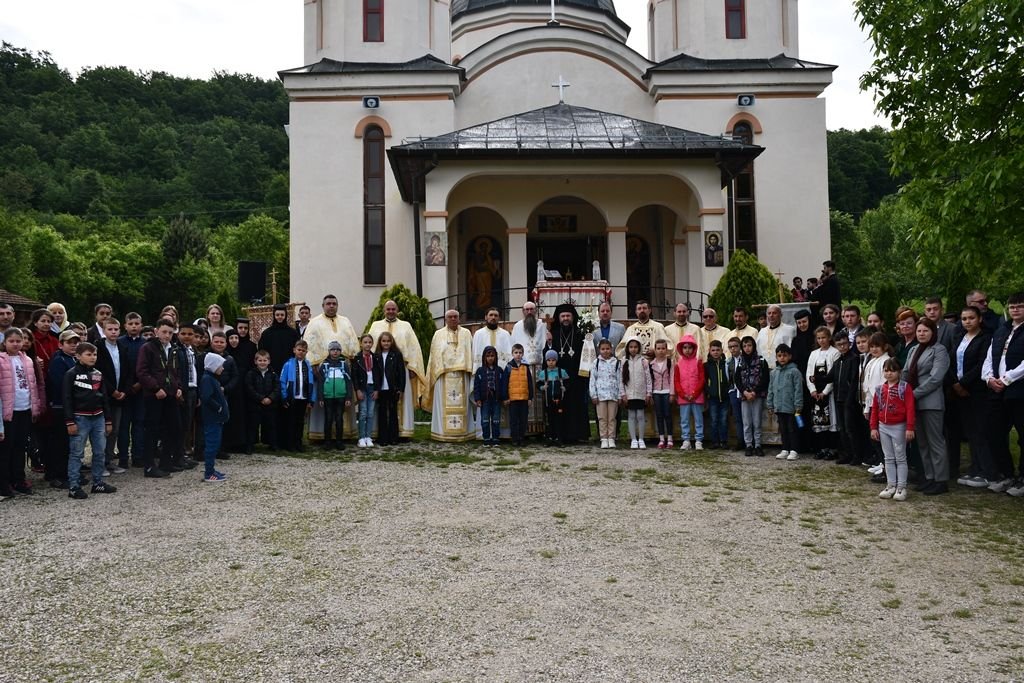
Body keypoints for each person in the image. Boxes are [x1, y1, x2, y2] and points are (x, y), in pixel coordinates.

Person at [981, 291, 1024, 495]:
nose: (1015, 310)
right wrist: (989, 378)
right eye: (1012, 306)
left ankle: (1022, 478)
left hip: (1018, 390)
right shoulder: (1002, 330)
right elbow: (990, 356)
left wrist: (1007, 379)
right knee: (993, 432)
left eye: (1020, 306)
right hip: (997, 390)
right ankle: (1006, 473)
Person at [62, 341, 116, 499]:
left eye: (95, 354)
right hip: (80, 418)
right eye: (88, 354)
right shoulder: (71, 374)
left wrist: (108, 420)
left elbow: (104, 397)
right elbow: (66, 398)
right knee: (77, 453)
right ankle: (74, 486)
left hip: (98, 418)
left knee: (99, 452)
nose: (93, 357)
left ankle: (97, 483)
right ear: (78, 356)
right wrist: (69, 421)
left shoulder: (98, 374)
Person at [304, 295, 359, 443]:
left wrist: (352, 362)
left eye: (334, 303)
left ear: (337, 305)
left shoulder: (346, 321)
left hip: (343, 367)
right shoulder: (314, 323)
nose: (331, 306)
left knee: (342, 402)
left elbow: (353, 343)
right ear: (323, 306)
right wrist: (314, 366)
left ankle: (344, 436)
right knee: (325, 406)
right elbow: (309, 345)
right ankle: (321, 436)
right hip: (323, 369)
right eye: (328, 303)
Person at [367, 299, 426, 438]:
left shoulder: (406, 325)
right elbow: (369, 345)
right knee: (381, 405)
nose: (391, 311)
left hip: (401, 369)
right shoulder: (375, 326)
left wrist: (413, 367)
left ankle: (402, 432)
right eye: (388, 309)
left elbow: (413, 347)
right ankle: (380, 433)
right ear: (384, 310)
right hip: (380, 370)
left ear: (397, 310)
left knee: (400, 401)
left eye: (393, 309)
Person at [952, 306, 997, 488]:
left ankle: (987, 471)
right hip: (959, 391)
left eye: (971, 318)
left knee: (981, 431)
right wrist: (955, 383)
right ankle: (975, 467)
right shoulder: (959, 338)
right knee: (970, 431)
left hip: (976, 390)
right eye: (964, 318)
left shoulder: (985, 339)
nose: (967, 321)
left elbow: (981, 364)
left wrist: (963, 384)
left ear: (979, 319)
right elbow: (952, 361)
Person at [903, 318, 950, 495]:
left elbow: (936, 378)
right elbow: (906, 373)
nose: (922, 334)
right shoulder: (914, 349)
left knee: (935, 442)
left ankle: (941, 479)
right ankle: (929, 477)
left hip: (931, 402)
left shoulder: (939, 350)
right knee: (922, 442)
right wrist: (901, 391)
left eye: (926, 331)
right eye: (919, 331)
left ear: (933, 333)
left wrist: (913, 394)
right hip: (913, 402)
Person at [0, 328, 45, 496]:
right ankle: (4, 483)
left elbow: (33, 385)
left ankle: (19, 479)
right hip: (8, 411)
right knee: (6, 449)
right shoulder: (1, 360)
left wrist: (36, 406)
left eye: (18, 341)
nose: (16, 344)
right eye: (12, 341)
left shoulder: (27, 360)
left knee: (20, 447)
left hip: (25, 409)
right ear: (5, 343)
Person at [136, 318, 182, 479]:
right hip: (154, 395)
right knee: (152, 430)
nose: (167, 335)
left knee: (173, 428)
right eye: (164, 332)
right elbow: (142, 372)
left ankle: (166, 462)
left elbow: (176, 371)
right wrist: (155, 388)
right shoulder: (148, 348)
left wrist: (179, 388)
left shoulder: (173, 349)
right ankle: (149, 466)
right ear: (156, 332)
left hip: (170, 394)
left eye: (170, 332)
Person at [425, 311, 475, 442]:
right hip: (444, 375)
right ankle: (442, 433)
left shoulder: (466, 333)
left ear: (459, 319)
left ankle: (464, 433)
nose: (453, 319)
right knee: (443, 406)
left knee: (463, 405)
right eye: (450, 317)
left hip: (463, 375)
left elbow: (470, 352)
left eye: (455, 317)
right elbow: (434, 356)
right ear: (445, 319)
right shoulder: (438, 334)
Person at [871, 358, 915, 501]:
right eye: (886, 370)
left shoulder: (904, 387)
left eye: (892, 370)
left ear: (899, 372)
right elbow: (875, 409)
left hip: (899, 427)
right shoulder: (880, 389)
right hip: (883, 427)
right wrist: (873, 427)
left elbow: (910, 408)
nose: (889, 374)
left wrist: (909, 427)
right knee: (888, 458)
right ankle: (891, 485)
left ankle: (901, 487)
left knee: (900, 457)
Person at [547, 304, 589, 443]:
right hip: (558, 378)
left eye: (568, 316)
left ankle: (577, 434)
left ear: (573, 317)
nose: (565, 318)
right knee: (560, 407)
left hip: (577, 377)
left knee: (575, 406)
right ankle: (560, 435)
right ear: (558, 318)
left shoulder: (580, 333)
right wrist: (548, 343)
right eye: (563, 316)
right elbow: (547, 355)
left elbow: (586, 355)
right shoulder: (553, 334)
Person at [511, 301, 552, 437]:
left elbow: (548, 343)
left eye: (531, 309)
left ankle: (542, 429)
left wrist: (550, 340)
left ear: (536, 310)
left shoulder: (543, 324)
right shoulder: (517, 326)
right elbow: (513, 346)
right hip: (523, 368)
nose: (529, 311)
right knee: (526, 396)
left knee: (541, 396)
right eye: (526, 309)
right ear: (523, 311)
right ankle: (526, 429)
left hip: (540, 367)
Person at [44, 330, 80, 488]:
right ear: (61, 344)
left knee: (70, 444)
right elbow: (60, 384)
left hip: (74, 406)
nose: (73, 345)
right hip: (61, 406)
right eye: (69, 342)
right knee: (60, 443)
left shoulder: (75, 360)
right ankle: (56, 475)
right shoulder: (59, 361)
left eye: (76, 342)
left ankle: (68, 472)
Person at [472, 307, 513, 440]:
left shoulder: (506, 334)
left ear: (499, 318)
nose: (493, 317)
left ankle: (501, 435)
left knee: (499, 406)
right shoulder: (478, 334)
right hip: (483, 377)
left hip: (501, 377)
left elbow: (509, 356)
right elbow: (475, 354)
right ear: (486, 317)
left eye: (496, 315)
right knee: (484, 410)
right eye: (491, 315)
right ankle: (483, 435)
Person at [95, 317, 130, 473]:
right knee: (101, 430)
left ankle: (108, 460)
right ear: (104, 330)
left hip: (119, 395)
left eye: (116, 329)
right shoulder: (98, 347)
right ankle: (99, 463)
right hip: (104, 395)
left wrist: (123, 391)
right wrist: (111, 390)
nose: (113, 332)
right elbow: (98, 372)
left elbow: (127, 370)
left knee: (114, 429)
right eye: (110, 329)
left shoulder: (122, 347)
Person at [807, 326, 841, 459]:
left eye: (824, 337)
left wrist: (825, 392)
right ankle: (822, 447)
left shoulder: (835, 353)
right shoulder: (813, 353)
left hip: (829, 393)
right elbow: (809, 372)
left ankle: (832, 449)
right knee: (819, 421)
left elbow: (833, 374)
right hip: (816, 392)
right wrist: (813, 390)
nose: (821, 340)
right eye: (819, 338)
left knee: (831, 420)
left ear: (829, 338)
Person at [117, 312, 146, 468]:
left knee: (139, 423)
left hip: (142, 390)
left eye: (137, 323)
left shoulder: (146, 343)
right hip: (124, 391)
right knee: (123, 424)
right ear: (125, 325)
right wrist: (128, 387)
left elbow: (149, 367)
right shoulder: (119, 342)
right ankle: (122, 457)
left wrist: (140, 383)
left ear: (141, 325)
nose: (134, 326)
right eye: (131, 323)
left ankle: (138, 455)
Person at [735, 336, 769, 457]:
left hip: (757, 395)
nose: (747, 348)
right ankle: (748, 445)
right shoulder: (740, 361)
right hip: (745, 396)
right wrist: (744, 392)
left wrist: (754, 392)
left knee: (757, 421)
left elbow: (765, 378)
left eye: (749, 345)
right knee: (747, 422)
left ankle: (758, 445)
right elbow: (737, 379)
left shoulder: (761, 359)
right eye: (744, 346)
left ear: (753, 346)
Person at [768, 343, 803, 461]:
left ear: (790, 356)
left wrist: (798, 405)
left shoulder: (795, 371)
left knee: (792, 428)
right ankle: (785, 448)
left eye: (784, 355)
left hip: (791, 407)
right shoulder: (774, 372)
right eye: (779, 355)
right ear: (776, 357)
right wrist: (770, 404)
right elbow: (771, 389)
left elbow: (798, 389)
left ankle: (794, 450)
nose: (782, 358)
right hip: (779, 406)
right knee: (782, 428)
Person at [280, 339, 316, 452]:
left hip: (303, 398)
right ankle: (290, 444)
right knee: (291, 421)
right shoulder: (288, 364)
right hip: (292, 398)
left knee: (300, 422)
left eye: (303, 350)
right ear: (294, 350)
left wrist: (311, 399)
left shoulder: (308, 365)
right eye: (299, 350)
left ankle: (298, 443)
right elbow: (282, 381)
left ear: (306, 352)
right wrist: (284, 397)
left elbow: (312, 383)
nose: (301, 352)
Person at [199, 353, 229, 483]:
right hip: (212, 418)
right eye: (220, 366)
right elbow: (206, 397)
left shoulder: (213, 378)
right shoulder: (207, 379)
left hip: (217, 419)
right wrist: (218, 407)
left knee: (215, 444)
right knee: (211, 444)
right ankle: (209, 473)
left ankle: (211, 469)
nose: (222, 368)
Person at [317, 340, 352, 450]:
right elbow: (320, 382)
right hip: (328, 397)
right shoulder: (324, 365)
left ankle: (339, 441)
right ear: (329, 351)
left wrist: (348, 397)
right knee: (328, 419)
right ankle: (327, 442)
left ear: (340, 351)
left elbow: (348, 381)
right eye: (333, 349)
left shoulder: (344, 364)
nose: (335, 352)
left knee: (339, 419)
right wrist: (321, 397)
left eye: (337, 350)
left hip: (341, 396)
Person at [673, 334, 705, 451]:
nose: (687, 350)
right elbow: (676, 381)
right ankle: (686, 440)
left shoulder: (698, 362)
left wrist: (694, 393)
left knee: (698, 419)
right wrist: (683, 394)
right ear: (681, 349)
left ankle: (698, 440)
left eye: (690, 347)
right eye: (685, 347)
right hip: (684, 398)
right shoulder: (678, 364)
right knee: (684, 420)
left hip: (697, 397)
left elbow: (702, 379)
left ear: (694, 348)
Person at [245, 350, 279, 452]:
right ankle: (250, 445)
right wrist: (261, 398)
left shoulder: (273, 374)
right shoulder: (251, 374)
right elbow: (249, 388)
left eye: (265, 360)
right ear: (255, 361)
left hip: (270, 404)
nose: (262, 362)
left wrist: (270, 398)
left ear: (269, 361)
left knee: (271, 425)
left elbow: (277, 388)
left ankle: (272, 444)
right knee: (253, 426)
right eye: (260, 360)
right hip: (255, 405)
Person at [589, 339, 621, 449]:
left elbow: (619, 379)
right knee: (602, 417)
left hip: (613, 394)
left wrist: (620, 395)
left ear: (611, 349)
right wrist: (593, 395)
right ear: (599, 350)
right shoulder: (596, 363)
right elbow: (593, 379)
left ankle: (611, 438)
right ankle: (603, 438)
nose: (605, 351)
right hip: (601, 395)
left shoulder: (616, 362)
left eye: (607, 349)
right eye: (603, 349)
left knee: (612, 417)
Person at [375, 331, 406, 446]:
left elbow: (401, 373)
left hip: (393, 388)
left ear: (392, 342)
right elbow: (375, 373)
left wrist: (401, 389)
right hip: (381, 389)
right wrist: (376, 389)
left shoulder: (396, 355)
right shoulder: (376, 355)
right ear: (380, 342)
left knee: (393, 413)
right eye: (384, 341)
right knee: (382, 413)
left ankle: (393, 437)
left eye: (388, 341)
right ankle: (382, 438)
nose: (386, 343)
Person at [351, 334, 381, 448]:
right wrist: (357, 390)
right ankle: (361, 437)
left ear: (372, 344)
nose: (367, 344)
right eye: (365, 342)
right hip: (362, 388)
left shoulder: (376, 357)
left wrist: (377, 389)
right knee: (363, 413)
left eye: (369, 342)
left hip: (372, 387)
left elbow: (378, 375)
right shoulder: (357, 358)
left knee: (370, 413)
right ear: (361, 344)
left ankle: (368, 436)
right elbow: (355, 376)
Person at [621, 338, 652, 449]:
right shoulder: (624, 360)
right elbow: (621, 379)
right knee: (632, 416)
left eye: (635, 347)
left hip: (641, 393)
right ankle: (633, 439)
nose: (633, 349)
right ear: (627, 348)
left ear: (639, 348)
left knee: (640, 415)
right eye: (631, 347)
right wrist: (623, 393)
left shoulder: (643, 361)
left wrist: (649, 393)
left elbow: (648, 378)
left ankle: (641, 439)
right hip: (629, 394)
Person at [503, 343, 534, 447]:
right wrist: (506, 397)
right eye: (516, 352)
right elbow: (505, 382)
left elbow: (530, 383)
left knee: (523, 420)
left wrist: (530, 398)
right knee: (514, 420)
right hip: (513, 399)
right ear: (512, 353)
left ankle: (522, 438)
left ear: (523, 354)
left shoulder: (525, 367)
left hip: (524, 399)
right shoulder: (508, 366)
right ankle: (515, 439)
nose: (518, 355)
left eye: (520, 353)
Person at [537, 350, 569, 446]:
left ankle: (559, 438)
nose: (551, 362)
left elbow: (568, 383)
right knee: (549, 420)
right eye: (549, 360)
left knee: (559, 420)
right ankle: (549, 438)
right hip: (548, 401)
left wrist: (565, 387)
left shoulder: (561, 372)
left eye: (553, 360)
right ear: (546, 361)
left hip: (559, 401)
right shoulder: (543, 373)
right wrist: (542, 387)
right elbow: (538, 384)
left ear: (556, 360)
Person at [473, 346, 503, 447]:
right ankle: (486, 438)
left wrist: (502, 398)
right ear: (484, 357)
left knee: (496, 419)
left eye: (492, 356)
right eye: (488, 356)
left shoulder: (499, 370)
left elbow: (503, 385)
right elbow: (476, 386)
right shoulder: (480, 371)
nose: (490, 358)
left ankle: (495, 438)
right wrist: (477, 399)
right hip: (485, 399)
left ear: (495, 357)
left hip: (496, 399)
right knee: (485, 420)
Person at [704, 339, 729, 450]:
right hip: (713, 397)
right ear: (709, 351)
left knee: (723, 420)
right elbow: (704, 381)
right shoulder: (706, 365)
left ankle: (724, 441)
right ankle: (714, 441)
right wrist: (708, 393)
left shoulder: (726, 364)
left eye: (718, 350)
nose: (715, 352)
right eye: (713, 350)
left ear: (722, 351)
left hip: (725, 397)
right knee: (714, 420)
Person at [650, 339, 674, 449]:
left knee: (668, 415)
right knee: (659, 416)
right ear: (655, 350)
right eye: (658, 348)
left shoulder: (670, 362)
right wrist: (650, 394)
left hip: (667, 391)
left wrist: (672, 393)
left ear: (666, 350)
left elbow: (673, 378)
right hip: (656, 392)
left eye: (663, 348)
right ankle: (661, 438)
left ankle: (670, 438)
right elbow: (650, 380)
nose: (661, 351)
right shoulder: (651, 364)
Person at [757, 305, 796, 369]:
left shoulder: (789, 330)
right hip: (764, 369)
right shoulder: (762, 332)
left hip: (783, 368)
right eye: (769, 313)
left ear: (780, 315)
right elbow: (758, 350)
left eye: (774, 313)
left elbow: (792, 350)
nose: (771, 315)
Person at [725, 337, 745, 450]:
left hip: (744, 392)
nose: (733, 349)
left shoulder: (744, 359)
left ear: (739, 346)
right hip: (733, 391)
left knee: (746, 418)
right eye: (730, 347)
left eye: (735, 346)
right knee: (737, 417)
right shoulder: (728, 362)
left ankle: (749, 441)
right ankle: (740, 441)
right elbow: (728, 378)